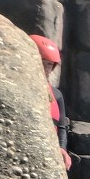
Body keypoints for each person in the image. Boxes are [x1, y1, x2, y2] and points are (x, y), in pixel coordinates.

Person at [29, 34, 72, 170]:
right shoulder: (23, 87)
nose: (45, 67)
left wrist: (62, 149)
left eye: (49, 64)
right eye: (42, 61)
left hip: (49, 149)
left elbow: (61, 127)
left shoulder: (57, 95)